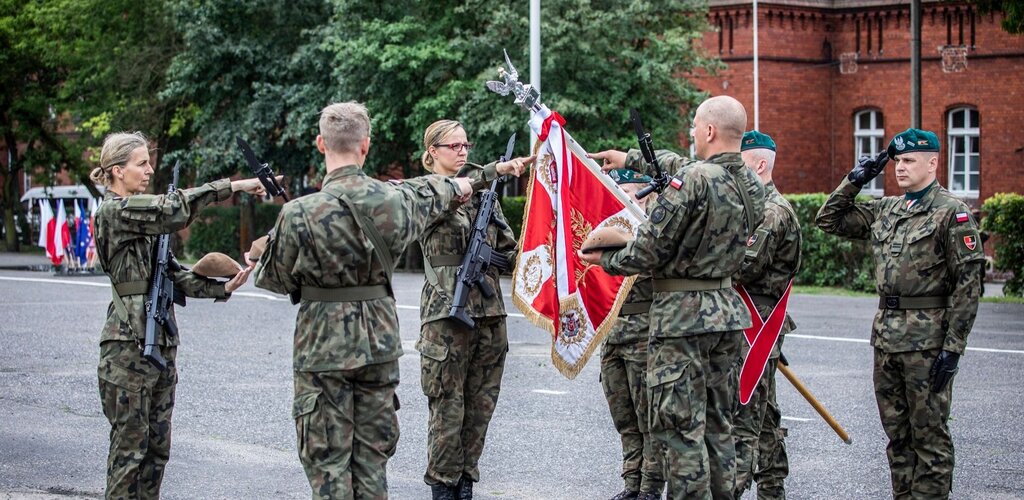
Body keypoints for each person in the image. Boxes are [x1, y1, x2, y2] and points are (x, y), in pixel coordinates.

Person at [252, 102, 475, 499]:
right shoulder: (393, 200)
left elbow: (274, 279)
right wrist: (463, 184)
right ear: (366, 146)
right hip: (379, 342)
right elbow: (439, 192)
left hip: (322, 346)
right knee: (372, 460)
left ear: (321, 144)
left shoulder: (298, 212)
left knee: (328, 462)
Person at [583, 95, 766, 499]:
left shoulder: (695, 180)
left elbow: (649, 249)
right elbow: (682, 169)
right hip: (725, 314)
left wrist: (606, 257)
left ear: (710, 131)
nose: (693, 134)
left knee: (680, 430)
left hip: (682, 320)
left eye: (696, 127)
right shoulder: (752, 183)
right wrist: (630, 156)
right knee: (718, 425)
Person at [91, 131, 262, 499]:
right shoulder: (114, 212)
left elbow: (172, 276)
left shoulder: (143, 221)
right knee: (129, 451)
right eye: (142, 163)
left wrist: (222, 288)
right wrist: (234, 185)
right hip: (127, 348)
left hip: (160, 344)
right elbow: (173, 210)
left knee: (156, 450)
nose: (150, 170)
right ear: (118, 171)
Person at [815, 128, 984, 499]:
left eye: (909, 161)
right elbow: (828, 220)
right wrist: (856, 179)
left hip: (928, 342)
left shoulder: (951, 213)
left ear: (933, 162)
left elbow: (968, 285)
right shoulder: (888, 208)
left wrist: (953, 348)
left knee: (930, 438)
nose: (900, 168)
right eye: (897, 162)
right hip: (887, 338)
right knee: (898, 437)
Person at [415, 119, 532, 500]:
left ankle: (466, 479)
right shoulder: (424, 192)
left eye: (466, 144)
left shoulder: (486, 197)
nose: (463, 151)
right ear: (432, 151)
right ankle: (444, 486)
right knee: (448, 407)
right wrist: (491, 173)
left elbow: (509, 251)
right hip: (446, 316)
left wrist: (543, 256)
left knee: (481, 406)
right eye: (454, 146)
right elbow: (448, 194)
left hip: (489, 314)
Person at [732, 131, 801, 499]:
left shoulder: (770, 211)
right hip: (746, 320)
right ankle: (773, 488)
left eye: (738, 163)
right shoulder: (750, 205)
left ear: (759, 165)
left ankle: (738, 489)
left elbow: (743, 267)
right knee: (764, 413)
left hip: (756, 326)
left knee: (745, 415)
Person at [598, 169, 664, 500]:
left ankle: (651, 488)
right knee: (624, 417)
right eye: (619, 192)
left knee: (649, 417)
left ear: (647, 194)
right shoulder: (607, 229)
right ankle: (631, 483)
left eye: (631, 192)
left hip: (645, 333)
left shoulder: (656, 230)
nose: (625, 198)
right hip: (612, 333)